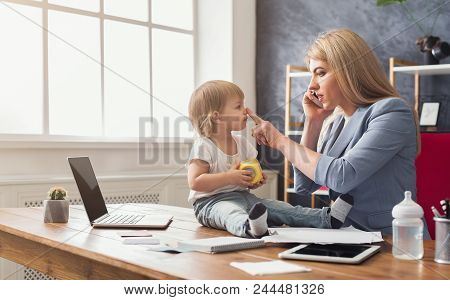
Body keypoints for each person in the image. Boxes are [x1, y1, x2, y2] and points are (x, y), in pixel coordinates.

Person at [250, 28, 430, 238]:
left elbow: (342, 176)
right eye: (312, 75)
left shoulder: (392, 111)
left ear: (349, 70)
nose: (311, 86)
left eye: (321, 72)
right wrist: (313, 122)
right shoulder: (336, 123)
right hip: (347, 237)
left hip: (392, 241)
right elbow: (304, 185)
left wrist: (279, 141)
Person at [187, 80, 354, 238]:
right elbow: (195, 182)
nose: (245, 110)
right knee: (230, 213)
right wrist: (229, 177)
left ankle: (327, 218)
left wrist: (252, 180)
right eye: (239, 106)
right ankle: (248, 227)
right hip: (210, 204)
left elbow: (246, 177)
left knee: (281, 208)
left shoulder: (242, 143)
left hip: (243, 197)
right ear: (217, 117)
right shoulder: (204, 145)